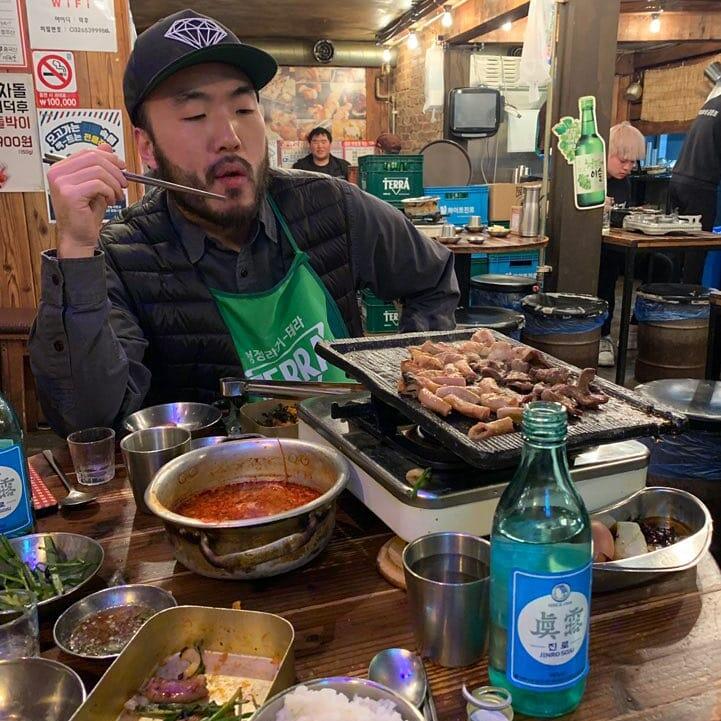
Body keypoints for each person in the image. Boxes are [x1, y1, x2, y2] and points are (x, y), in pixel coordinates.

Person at [28, 9, 459, 436]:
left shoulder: (330, 203)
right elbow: (88, 421)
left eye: (244, 108)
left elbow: (432, 278)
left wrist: (413, 384)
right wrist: (77, 248)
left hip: (354, 462)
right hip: (211, 475)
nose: (230, 137)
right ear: (147, 147)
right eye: (195, 115)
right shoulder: (124, 256)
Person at [597, 122, 646, 367]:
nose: (627, 167)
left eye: (633, 162)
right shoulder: (592, 177)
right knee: (606, 269)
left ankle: (636, 326)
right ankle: (602, 335)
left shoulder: (624, 183)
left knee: (662, 265)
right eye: (622, 160)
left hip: (618, 244)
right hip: (592, 247)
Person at [669, 92, 721, 282]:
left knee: (676, 249)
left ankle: (670, 294)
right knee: (696, 254)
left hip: (678, 180)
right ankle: (690, 297)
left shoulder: (711, 103)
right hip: (700, 186)